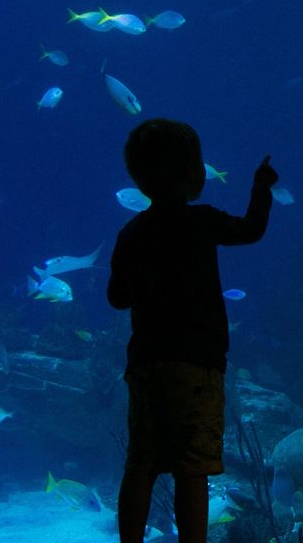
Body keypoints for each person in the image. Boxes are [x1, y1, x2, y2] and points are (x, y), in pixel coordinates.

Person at [107, 118, 278, 543]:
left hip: (147, 365)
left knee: (141, 464)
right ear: (191, 173)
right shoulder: (202, 222)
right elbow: (251, 229)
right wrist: (261, 186)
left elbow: (116, 296)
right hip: (198, 367)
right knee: (192, 468)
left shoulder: (132, 233)